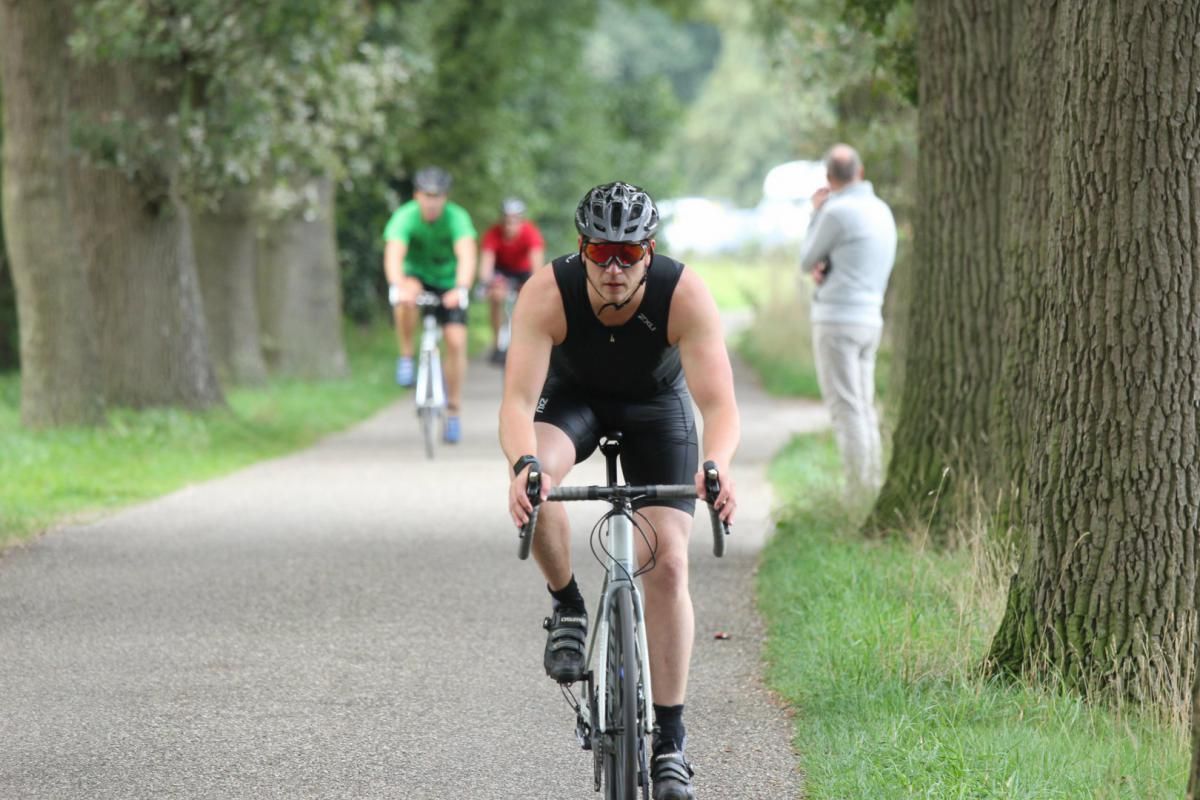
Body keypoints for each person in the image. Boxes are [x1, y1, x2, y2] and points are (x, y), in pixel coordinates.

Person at [499, 181, 740, 800]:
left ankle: (671, 744)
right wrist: (525, 461)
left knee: (669, 562)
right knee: (538, 480)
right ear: (580, 247)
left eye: (628, 256)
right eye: (599, 252)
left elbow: (718, 403)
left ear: (649, 253)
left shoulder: (681, 293)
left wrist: (717, 464)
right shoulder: (547, 292)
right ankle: (570, 606)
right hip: (573, 400)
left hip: (656, 409)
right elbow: (518, 403)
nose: (612, 269)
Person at [798, 144, 897, 497]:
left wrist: (815, 213)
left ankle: (859, 492)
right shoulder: (882, 211)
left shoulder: (835, 211)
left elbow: (807, 258)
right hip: (871, 318)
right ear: (861, 171)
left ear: (829, 178)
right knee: (864, 407)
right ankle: (870, 482)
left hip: (837, 319)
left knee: (846, 409)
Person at [382, 166, 477, 443]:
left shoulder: (457, 218)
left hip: (449, 282)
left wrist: (460, 288)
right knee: (405, 298)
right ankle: (406, 355)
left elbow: (467, 254)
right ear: (417, 195)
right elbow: (394, 255)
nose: (432, 202)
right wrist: (398, 285)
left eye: (438, 196)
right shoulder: (405, 216)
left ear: (445, 197)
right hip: (417, 278)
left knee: (456, 341)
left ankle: (454, 411)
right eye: (426, 196)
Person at [478, 197, 545, 364]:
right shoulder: (493, 233)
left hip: (524, 272)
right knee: (496, 296)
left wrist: (533, 285)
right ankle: (497, 343)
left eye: (515, 221)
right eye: (507, 221)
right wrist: (487, 282)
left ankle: (529, 342)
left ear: (521, 220)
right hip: (502, 272)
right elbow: (486, 264)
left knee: (530, 301)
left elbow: (537, 264)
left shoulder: (531, 232)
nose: (510, 226)